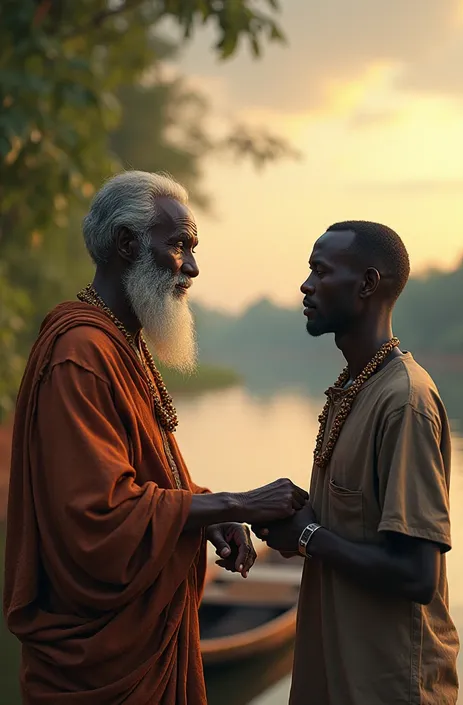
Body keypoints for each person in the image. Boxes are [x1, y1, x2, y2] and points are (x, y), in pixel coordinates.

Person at [3, 170, 308, 705]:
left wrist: (211, 510)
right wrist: (238, 502)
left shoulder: (125, 343)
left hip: (145, 641)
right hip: (96, 661)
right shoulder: (82, 353)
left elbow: (143, 473)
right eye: (180, 246)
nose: (191, 267)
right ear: (126, 244)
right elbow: (95, 517)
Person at [253, 221, 460, 705]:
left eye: (319, 272)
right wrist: (287, 520)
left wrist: (307, 535)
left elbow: (416, 575)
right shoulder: (354, 387)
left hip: (389, 685)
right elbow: (344, 534)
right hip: (335, 676)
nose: (306, 286)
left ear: (367, 284)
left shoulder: (404, 401)